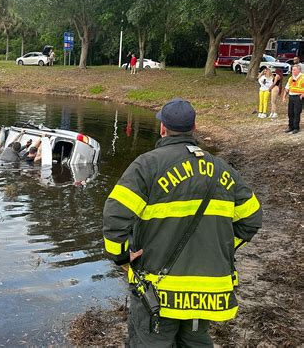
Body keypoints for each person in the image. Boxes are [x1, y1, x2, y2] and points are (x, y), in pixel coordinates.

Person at [103, 97, 262, 346]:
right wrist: (221, 247)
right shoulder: (222, 170)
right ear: (195, 127)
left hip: (158, 291)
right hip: (207, 293)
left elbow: (114, 217)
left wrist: (122, 257)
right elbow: (251, 219)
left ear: (163, 129)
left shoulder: (147, 166)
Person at [282, 64, 304, 134]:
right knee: (290, 113)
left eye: (294, 70)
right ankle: (290, 127)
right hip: (291, 97)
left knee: (296, 113)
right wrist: (284, 96)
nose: (292, 71)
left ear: (298, 70)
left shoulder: (303, 77)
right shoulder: (291, 78)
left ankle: (296, 128)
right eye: (292, 70)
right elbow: (287, 88)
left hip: (298, 97)